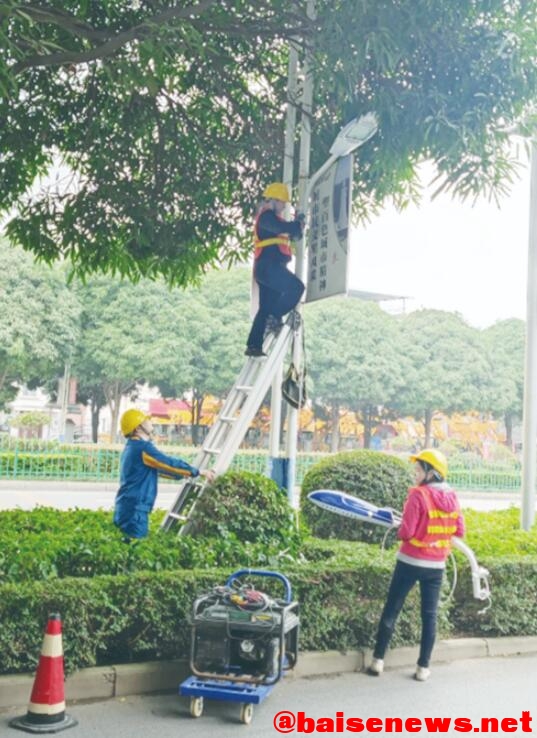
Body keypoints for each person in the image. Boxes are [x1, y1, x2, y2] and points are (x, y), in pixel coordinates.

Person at [367, 449, 465, 682]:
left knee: (392, 609)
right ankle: (423, 668)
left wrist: (400, 528)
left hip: (410, 562)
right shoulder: (452, 497)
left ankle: (378, 661)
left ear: (432, 473)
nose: (415, 472)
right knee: (429, 616)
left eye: (419, 469)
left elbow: (407, 532)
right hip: (436, 566)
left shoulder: (418, 495)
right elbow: (459, 530)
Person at [113, 408, 215, 541]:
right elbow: (167, 463)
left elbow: (158, 469)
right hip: (135, 510)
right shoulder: (143, 448)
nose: (150, 422)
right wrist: (198, 471)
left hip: (128, 507)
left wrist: (182, 474)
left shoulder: (132, 447)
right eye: (146, 420)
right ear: (138, 428)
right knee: (135, 550)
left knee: (127, 551)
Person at [245, 182, 305, 357]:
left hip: (268, 269)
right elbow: (283, 228)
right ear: (274, 200)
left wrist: (299, 224)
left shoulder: (275, 219)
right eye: (282, 202)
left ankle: (253, 345)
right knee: (297, 288)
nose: (284, 206)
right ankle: (275, 316)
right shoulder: (266, 217)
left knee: (265, 308)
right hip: (268, 267)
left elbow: (294, 234)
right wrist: (295, 224)